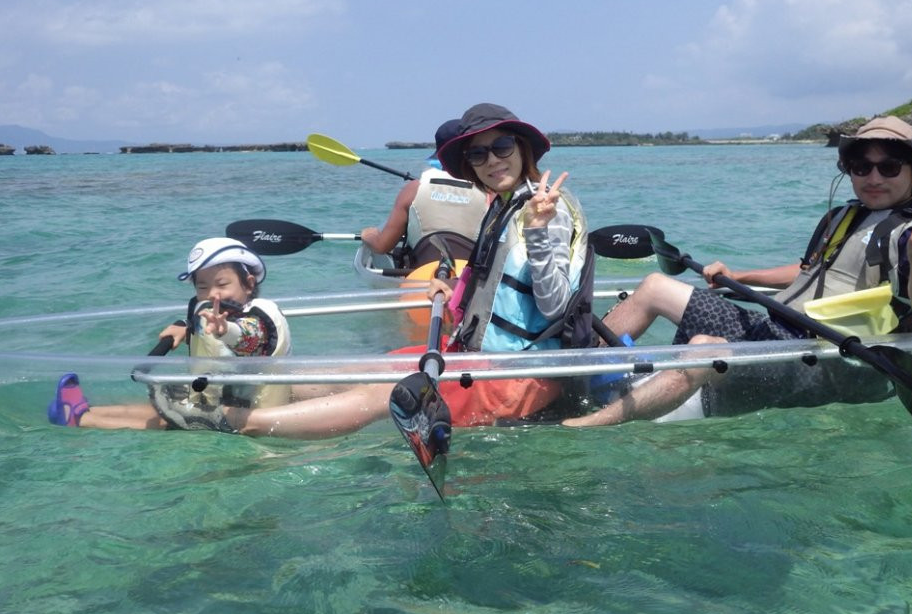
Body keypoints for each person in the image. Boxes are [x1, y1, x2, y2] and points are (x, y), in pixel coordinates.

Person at [150, 102, 593, 436]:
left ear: (522, 147)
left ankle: (230, 420)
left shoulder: (546, 210)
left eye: (501, 147)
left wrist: (537, 228)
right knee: (353, 371)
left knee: (383, 393)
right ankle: (218, 394)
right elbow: (503, 286)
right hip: (473, 356)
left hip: (518, 375)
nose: (493, 160)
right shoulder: (503, 205)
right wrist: (454, 285)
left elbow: (553, 305)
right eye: (479, 155)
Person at [562, 115, 912, 425]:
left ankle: (584, 427)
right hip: (776, 331)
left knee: (705, 344)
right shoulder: (843, 216)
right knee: (655, 285)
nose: (873, 177)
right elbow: (808, 272)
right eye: (861, 167)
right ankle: (571, 381)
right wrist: (742, 276)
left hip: (825, 361)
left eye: (889, 167)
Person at [47, 238, 291, 429]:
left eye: (222, 285)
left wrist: (225, 330)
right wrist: (185, 328)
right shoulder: (210, 311)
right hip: (214, 398)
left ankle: (80, 418)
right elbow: (206, 328)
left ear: (248, 284)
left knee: (166, 418)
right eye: (202, 287)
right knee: (164, 408)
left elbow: (250, 338)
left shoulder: (258, 317)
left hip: (247, 411)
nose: (212, 294)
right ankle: (83, 410)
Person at [359, 119, 487, 268]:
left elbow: (382, 246)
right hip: (469, 278)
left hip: (421, 277)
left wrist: (368, 235)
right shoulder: (490, 191)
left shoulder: (413, 189)